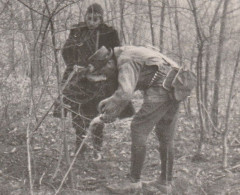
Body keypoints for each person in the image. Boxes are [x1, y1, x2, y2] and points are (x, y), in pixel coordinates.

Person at [86, 45, 196, 193]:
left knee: (138, 128)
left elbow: (125, 93)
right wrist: (112, 108)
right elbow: (130, 89)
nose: (105, 75)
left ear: (109, 63)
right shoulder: (129, 52)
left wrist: (110, 108)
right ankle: (165, 182)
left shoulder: (125, 60)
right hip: (176, 85)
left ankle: (134, 181)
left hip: (163, 87)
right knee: (166, 136)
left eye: (104, 72)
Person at [53, 3, 135, 159]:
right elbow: (66, 51)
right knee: (77, 112)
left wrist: (98, 68)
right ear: (85, 17)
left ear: (101, 19)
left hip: (100, 80)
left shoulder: (109, 33)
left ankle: (97, 148)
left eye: (95, 19)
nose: (91, 22)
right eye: (89, 18)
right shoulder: (77, 31)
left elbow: (116, 55)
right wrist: (75, 65)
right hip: (79, 79)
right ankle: (80, 147)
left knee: (97, 114)